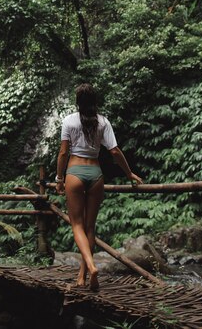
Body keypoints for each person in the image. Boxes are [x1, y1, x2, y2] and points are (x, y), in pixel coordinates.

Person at [55, 83, 143, 291]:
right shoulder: (103, 122)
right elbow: (114, 152)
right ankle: (81, 276)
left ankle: (92, 268)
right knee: (90, 227)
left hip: (74, 174)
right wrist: (129, 173)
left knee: (77, 225)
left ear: (77, 103)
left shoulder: (69, 121)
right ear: (95, 102)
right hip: (96, 175)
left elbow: (62, 154)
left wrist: (59, 178)